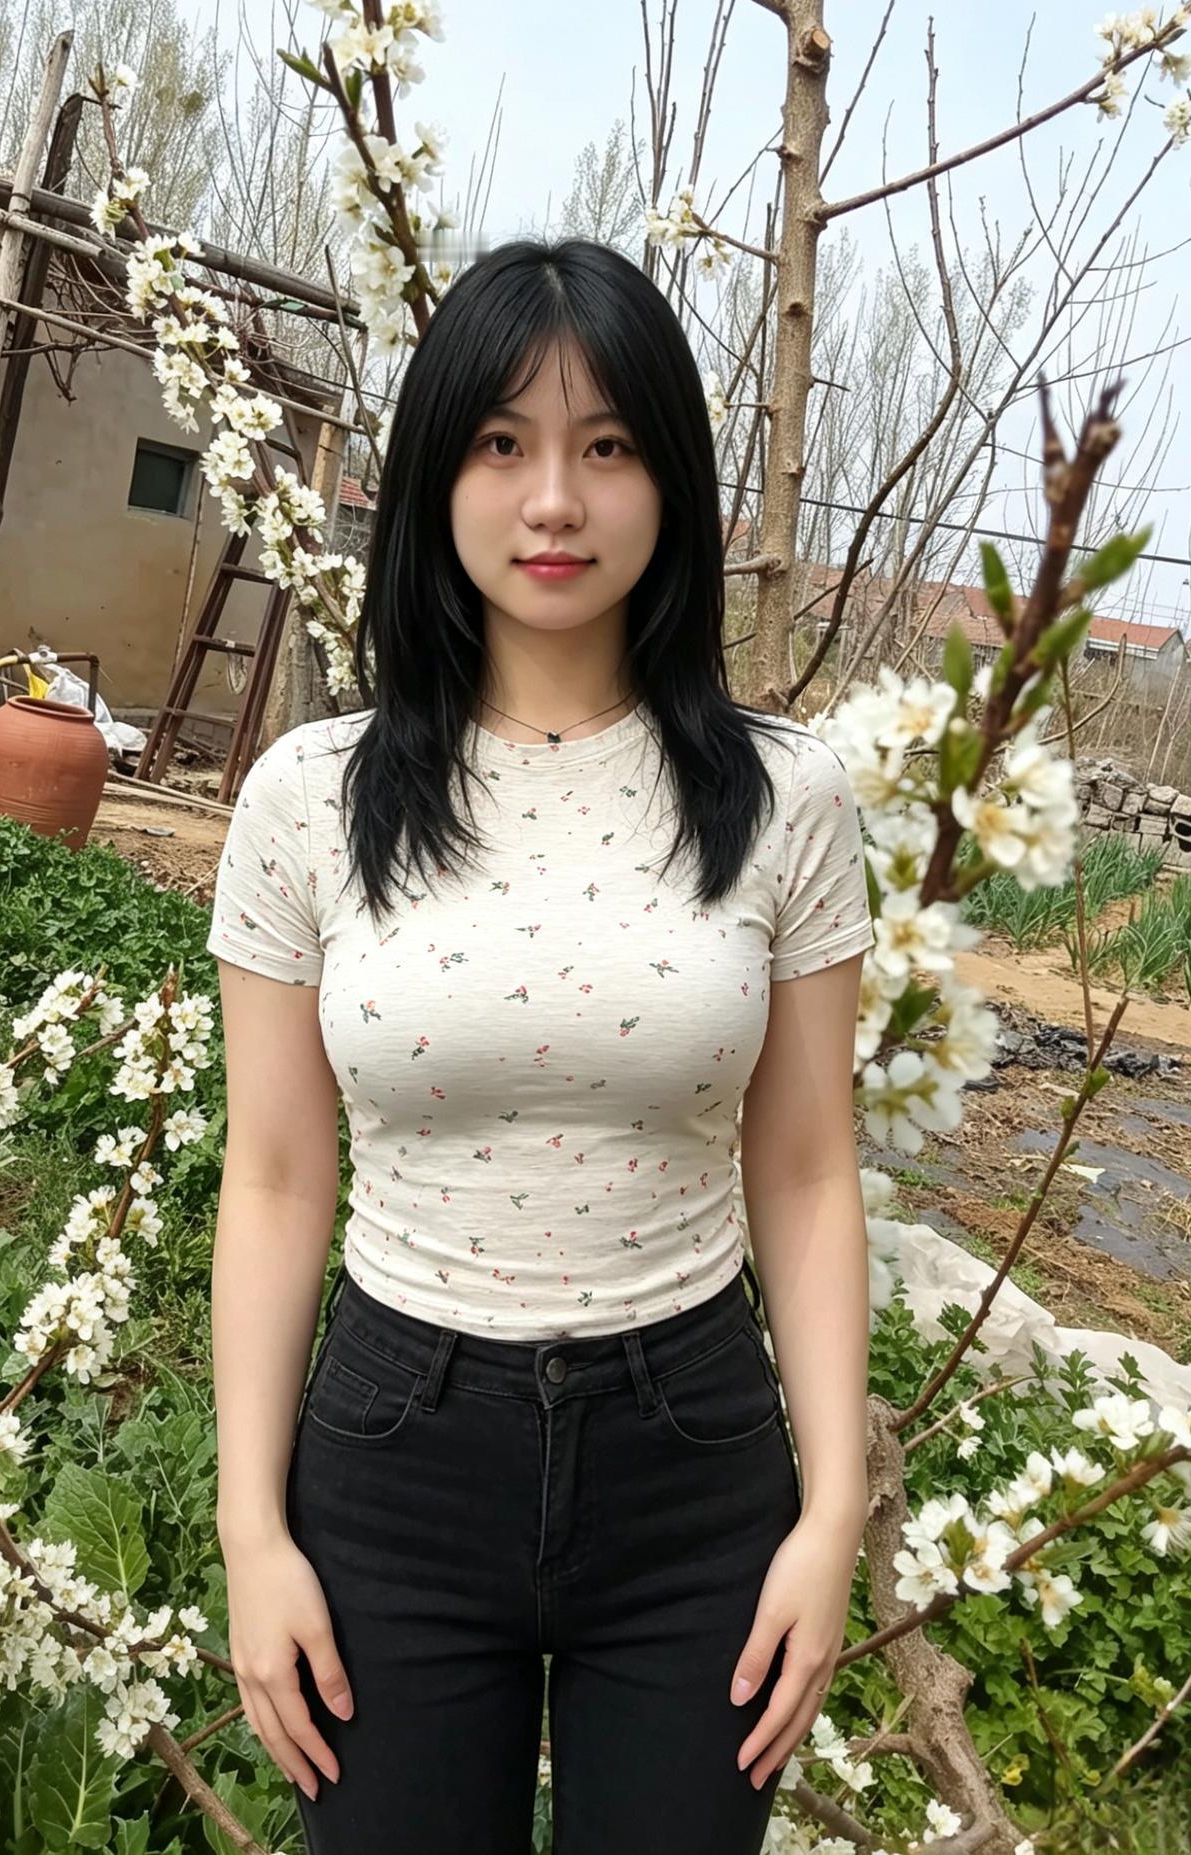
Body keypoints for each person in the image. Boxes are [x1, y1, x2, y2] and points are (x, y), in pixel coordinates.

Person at [205, 236, 874, 1855]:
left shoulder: (786, 798)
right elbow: (277, 1176)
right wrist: (252, 1532)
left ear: (673, 481)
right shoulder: (312, 798)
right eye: (503, 444)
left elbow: (804, 1171)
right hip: (396, 1458)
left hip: (693, 1461)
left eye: (608, 446)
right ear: (436, 471)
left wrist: (833, 1510)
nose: (555, 502)